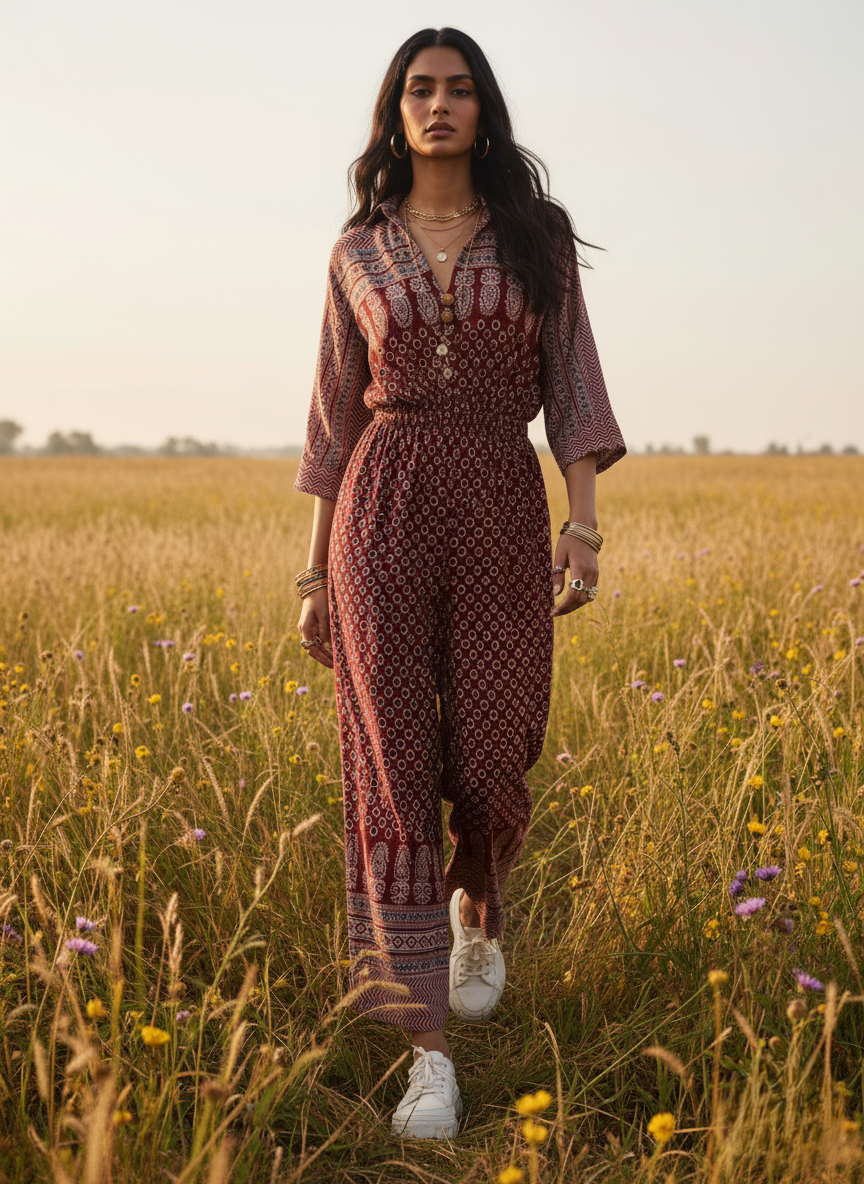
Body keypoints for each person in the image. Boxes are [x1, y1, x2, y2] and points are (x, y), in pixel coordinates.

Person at [293, 26, 625, 1140]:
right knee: (391, 763)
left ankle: (481, 902)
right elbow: (335, 421)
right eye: (419, 90)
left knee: (491, 753)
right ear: (395, 113)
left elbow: (573, 380)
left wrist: (581, 525)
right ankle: (425, 1047)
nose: (440, 105)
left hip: (497, 493)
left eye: (460, 89)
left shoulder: (536, 238)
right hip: (380, 507)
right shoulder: (356, 251)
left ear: (485, 111)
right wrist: (312, 572)